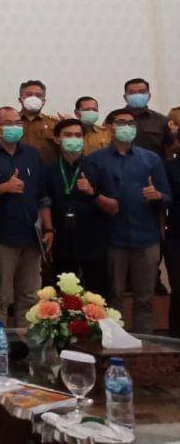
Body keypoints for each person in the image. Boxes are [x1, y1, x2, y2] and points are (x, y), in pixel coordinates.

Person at [85, 108, 172, 334]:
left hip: (147, 237)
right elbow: (87, 198)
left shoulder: (151, 159)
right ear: (110, 127)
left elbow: (167, 197)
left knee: (145, 297)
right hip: (112, 238)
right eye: (121, 122)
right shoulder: (95, 160)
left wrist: (158, 196)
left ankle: (144, 343)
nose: (127, 127)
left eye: (131, 123)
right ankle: (115, 343)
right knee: (113, 296)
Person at [0, 106, 52, 327]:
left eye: (18, 123)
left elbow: (43, 196)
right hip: (0, 236)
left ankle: (27, 345)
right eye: (8, 123)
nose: (15, 127)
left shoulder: (32, 154)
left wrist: (48, 229)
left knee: (29, 297)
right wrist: (3, 188)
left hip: (31, 236)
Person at [42, 118, 116, 298]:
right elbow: (44, 203)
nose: (73, 139)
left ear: (84, 139)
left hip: (93, 241)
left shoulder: (98, 168)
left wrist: (92, 193)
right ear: (57, 139)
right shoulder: (48, 170)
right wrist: (49, 230)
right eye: (68, 135)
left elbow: (114, 207)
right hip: (62, 241)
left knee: (97, 297)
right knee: (66, 297)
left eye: (77, 135)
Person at [118, 78, 172, 159]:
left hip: (153, 165)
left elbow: (172, 148)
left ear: (149, 96)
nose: (137, 95)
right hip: (121, 165)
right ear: (125, 97)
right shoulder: (113, 119)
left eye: (142, 92)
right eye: (132, 93)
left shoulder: (162, 120)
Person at [18, 80, 59, 164]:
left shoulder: (54, 123)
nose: (34, 98)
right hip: (16, 169)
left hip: (46, 170)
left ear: (43, 101)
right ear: (20, 99)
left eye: (38, 95)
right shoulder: (10, 122)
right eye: (29, 94)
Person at [165, 155, 180, 336]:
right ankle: (175, 341)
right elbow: (164, 201)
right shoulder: (170, 167)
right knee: (178, 291)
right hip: (176, 237)